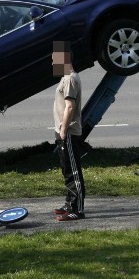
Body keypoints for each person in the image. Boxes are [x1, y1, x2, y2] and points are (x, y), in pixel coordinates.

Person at [52, 41, 85, 221]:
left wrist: (64, 130)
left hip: (69, 132)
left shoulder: (71, 78)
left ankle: (77, 209)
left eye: (54, 59)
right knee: (66, 170)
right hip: (62, 132)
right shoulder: (65, 77)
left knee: (73, 172)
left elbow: (70, 107)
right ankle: (69, 202)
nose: (52, 63)